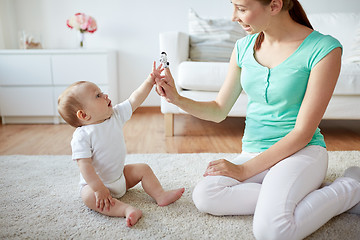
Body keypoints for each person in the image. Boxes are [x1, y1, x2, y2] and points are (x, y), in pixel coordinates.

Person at [155, 0, 360, 239]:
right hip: (254, 152)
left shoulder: (324, 49)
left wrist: (243, 170)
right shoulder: (243, 47)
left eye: (241, 8)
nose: (234, 16)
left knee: (272, 231)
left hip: (301, 152)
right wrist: (176, 98)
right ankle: (304, 193)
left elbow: (303, 132)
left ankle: (351, 186)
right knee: (205, 195)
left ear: (274, 5)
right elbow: (219, 109)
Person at [58, 62, 184, 227]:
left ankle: (160, 195)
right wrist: (98, 188)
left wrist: (150, 80)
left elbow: (135, 99)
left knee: (143, 168)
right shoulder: (82, 136)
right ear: (83, 115)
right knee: (87, 196)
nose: (105, 95)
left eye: (101, 92)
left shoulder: (115, 116)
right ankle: (126, 210)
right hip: (98, 186)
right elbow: (85, 166)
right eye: (98, 96)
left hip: (120, 178)